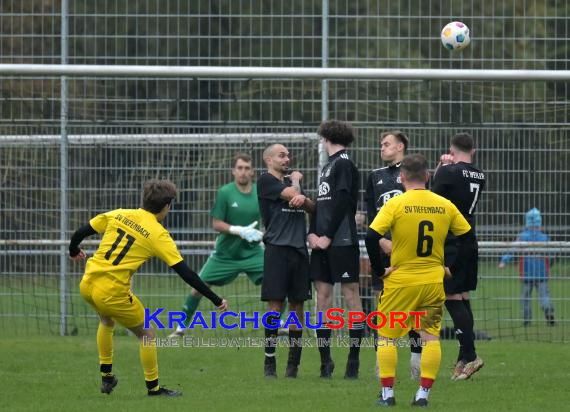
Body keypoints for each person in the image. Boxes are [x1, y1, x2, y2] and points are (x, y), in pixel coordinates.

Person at [69, 179, 228, 397]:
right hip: (112, 292)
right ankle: (153, 389)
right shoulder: (157, 233)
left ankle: (107, 376)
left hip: (88, 283)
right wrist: (216, 299)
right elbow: (186, 273)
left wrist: (72, 250)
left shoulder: (119, 214)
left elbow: (81, 231)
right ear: (166, 206)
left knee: (106, 321)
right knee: (147, 334)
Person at [367, 154, 474, 407]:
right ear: (427, 177)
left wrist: (380, 270)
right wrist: (452, 269)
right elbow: (468, 240)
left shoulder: (396, 204)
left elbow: (372, 237)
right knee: (430, 338)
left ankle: (388, 394)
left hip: (400, 282)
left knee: (387, 338)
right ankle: (422, 395)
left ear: (401, 177)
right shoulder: (444, 205)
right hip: (432, 282)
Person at [169, 153, 264, 337]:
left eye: (247, 168)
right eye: (240, 168)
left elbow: (268, 218)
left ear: (252, 172)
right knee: (198, 287)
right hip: (225, 254)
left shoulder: (259, 193)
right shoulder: (225, 193)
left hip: (253, 253)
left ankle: (282, 324)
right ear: (233, 171)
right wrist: (239, 230)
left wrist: (263, 234)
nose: (243, 172)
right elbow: (216, 224)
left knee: (278, 282)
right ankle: (180, 328)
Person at [364, 130, 422, 380]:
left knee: (414, 310)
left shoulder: (413, 175)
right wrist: (382, 241)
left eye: (386, 144)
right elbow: (370, 215)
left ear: (400, 147)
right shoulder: (374, 176)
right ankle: (382, 364)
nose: (382, 148)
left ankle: (417, 362)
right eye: (380, 144)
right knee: (383, 307)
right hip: (383, 250)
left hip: (409, 252)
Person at [309, 119, 364, 379]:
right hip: (321, 243)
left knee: (351, 294)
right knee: (323, 297)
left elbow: (342, 201)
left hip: (341, 241)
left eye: (322, 139)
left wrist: (329, 236)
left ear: (327, 138)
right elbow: (322, 204)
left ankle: (353, 362)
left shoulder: (343, 163)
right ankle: (325, 362)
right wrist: (312, 231)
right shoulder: (327, 167)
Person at [431, 132, 486, 381]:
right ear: (472, 151)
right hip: (469, 239)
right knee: (463, 296)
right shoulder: (479, 175)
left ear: (451, 150)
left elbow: (430, 196)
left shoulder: (448, 171)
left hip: (451, 240)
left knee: (451, 296)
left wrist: (441, 165)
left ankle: (471, 355)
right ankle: (464, 359)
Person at [257, 144, 314, 378]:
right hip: (277, 250)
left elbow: (312, 207)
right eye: (282, 155)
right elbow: (293, 197)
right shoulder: (265, 181)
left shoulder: (292, 183)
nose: (287, 159)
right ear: (268, 160)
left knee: (297, 306)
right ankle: (270, 361)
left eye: (288, 155)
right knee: (275, 306)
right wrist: (297, 184)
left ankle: (293, 364)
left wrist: (303, 197)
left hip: (299, 250)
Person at [499, 208, 555, 326]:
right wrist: (550, 262)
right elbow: (551, 254)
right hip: (542, 273)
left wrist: (504, 261)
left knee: (525, 298)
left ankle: (527, 320)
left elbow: (513, 250)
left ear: (527, 222)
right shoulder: (544, 238)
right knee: (544, 295)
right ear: (539, 222)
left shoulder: (522, 237)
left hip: (526, 273)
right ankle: (548, 310)